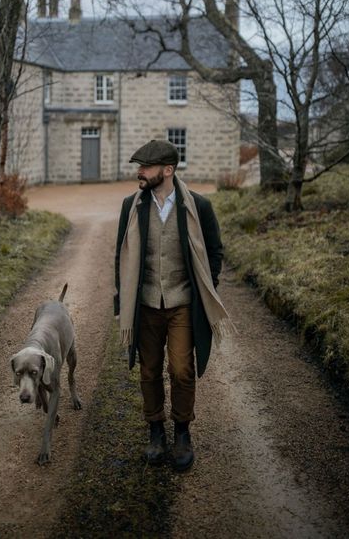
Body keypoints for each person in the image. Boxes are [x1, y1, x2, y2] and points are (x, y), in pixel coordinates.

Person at [114, 139, 233, 471]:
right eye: (139, 166)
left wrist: (208, 288)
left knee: (181, 369)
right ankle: (155, 431)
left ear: (167, 170)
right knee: (149, 370)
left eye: (146, 167)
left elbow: (214, 251)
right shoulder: (132, 206)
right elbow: (120, 255)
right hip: (146, 304)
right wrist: (120, 299)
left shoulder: (198, 206)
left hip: (182, 303)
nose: (140, 171)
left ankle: (182, 433)